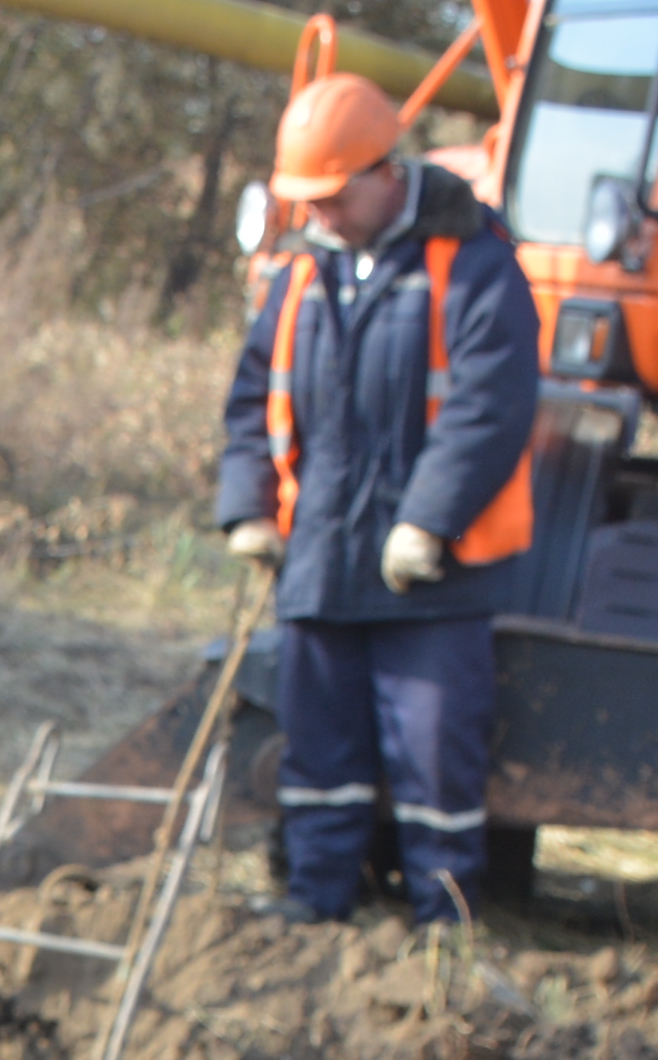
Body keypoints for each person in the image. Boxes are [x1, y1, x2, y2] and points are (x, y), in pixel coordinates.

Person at [214, 50, 544, 930]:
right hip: (321, 559)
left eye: (332, 195)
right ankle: (316, 909)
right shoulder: (302, 279)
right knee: (319, 756)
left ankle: (441, 928)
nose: (318, 212)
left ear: (387, 174)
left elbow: (491, 406)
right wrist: (247, 509)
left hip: (435, 576)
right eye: (307, 198)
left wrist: (427, 523)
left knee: (436, 760)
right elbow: (254, 402)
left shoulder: (474, 267)